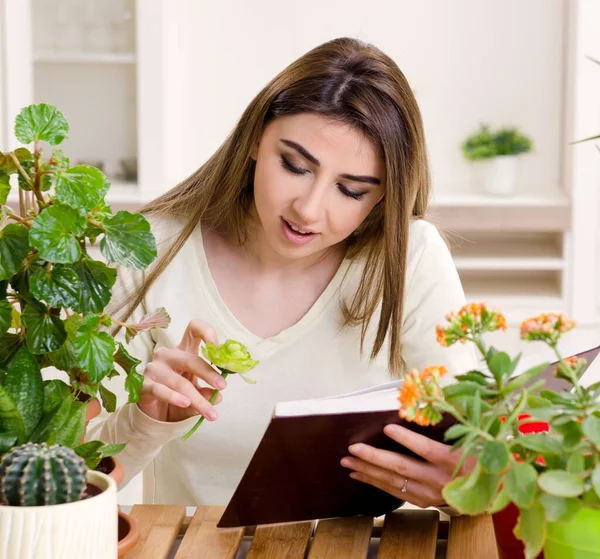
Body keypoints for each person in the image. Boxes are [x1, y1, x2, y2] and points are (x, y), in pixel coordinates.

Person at [88, 36, 477, 509]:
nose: (309, 210)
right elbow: (75, 476)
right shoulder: (151, 248)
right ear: (255, 138)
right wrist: (147, 420)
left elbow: (471, 446)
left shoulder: (409, 258)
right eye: (294, 165)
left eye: (351, 191)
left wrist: (460, 488)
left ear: (383, 196)